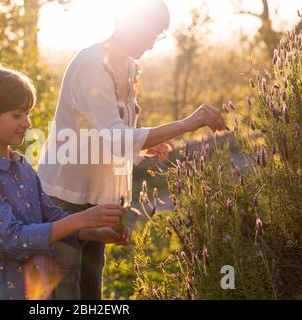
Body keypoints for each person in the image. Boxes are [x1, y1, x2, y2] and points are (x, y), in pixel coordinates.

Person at [37, 0, 227, 300]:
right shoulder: (92, 65)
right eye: (149, 32)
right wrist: (189, 123)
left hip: (100, 198)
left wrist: (145, 150)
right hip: (65, 197)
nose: (152, 43)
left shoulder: (129, 66)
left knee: (90, 291)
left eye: (158, 35)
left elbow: (111, 131)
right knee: (64, 293)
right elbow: (116, 137)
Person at [0, 65, 130, 300]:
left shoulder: (22, 165)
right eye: (17, 115)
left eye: (27, 113)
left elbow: (51, 216)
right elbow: (13, 238)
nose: (27, 122)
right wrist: (83, 217)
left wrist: (95, 232)